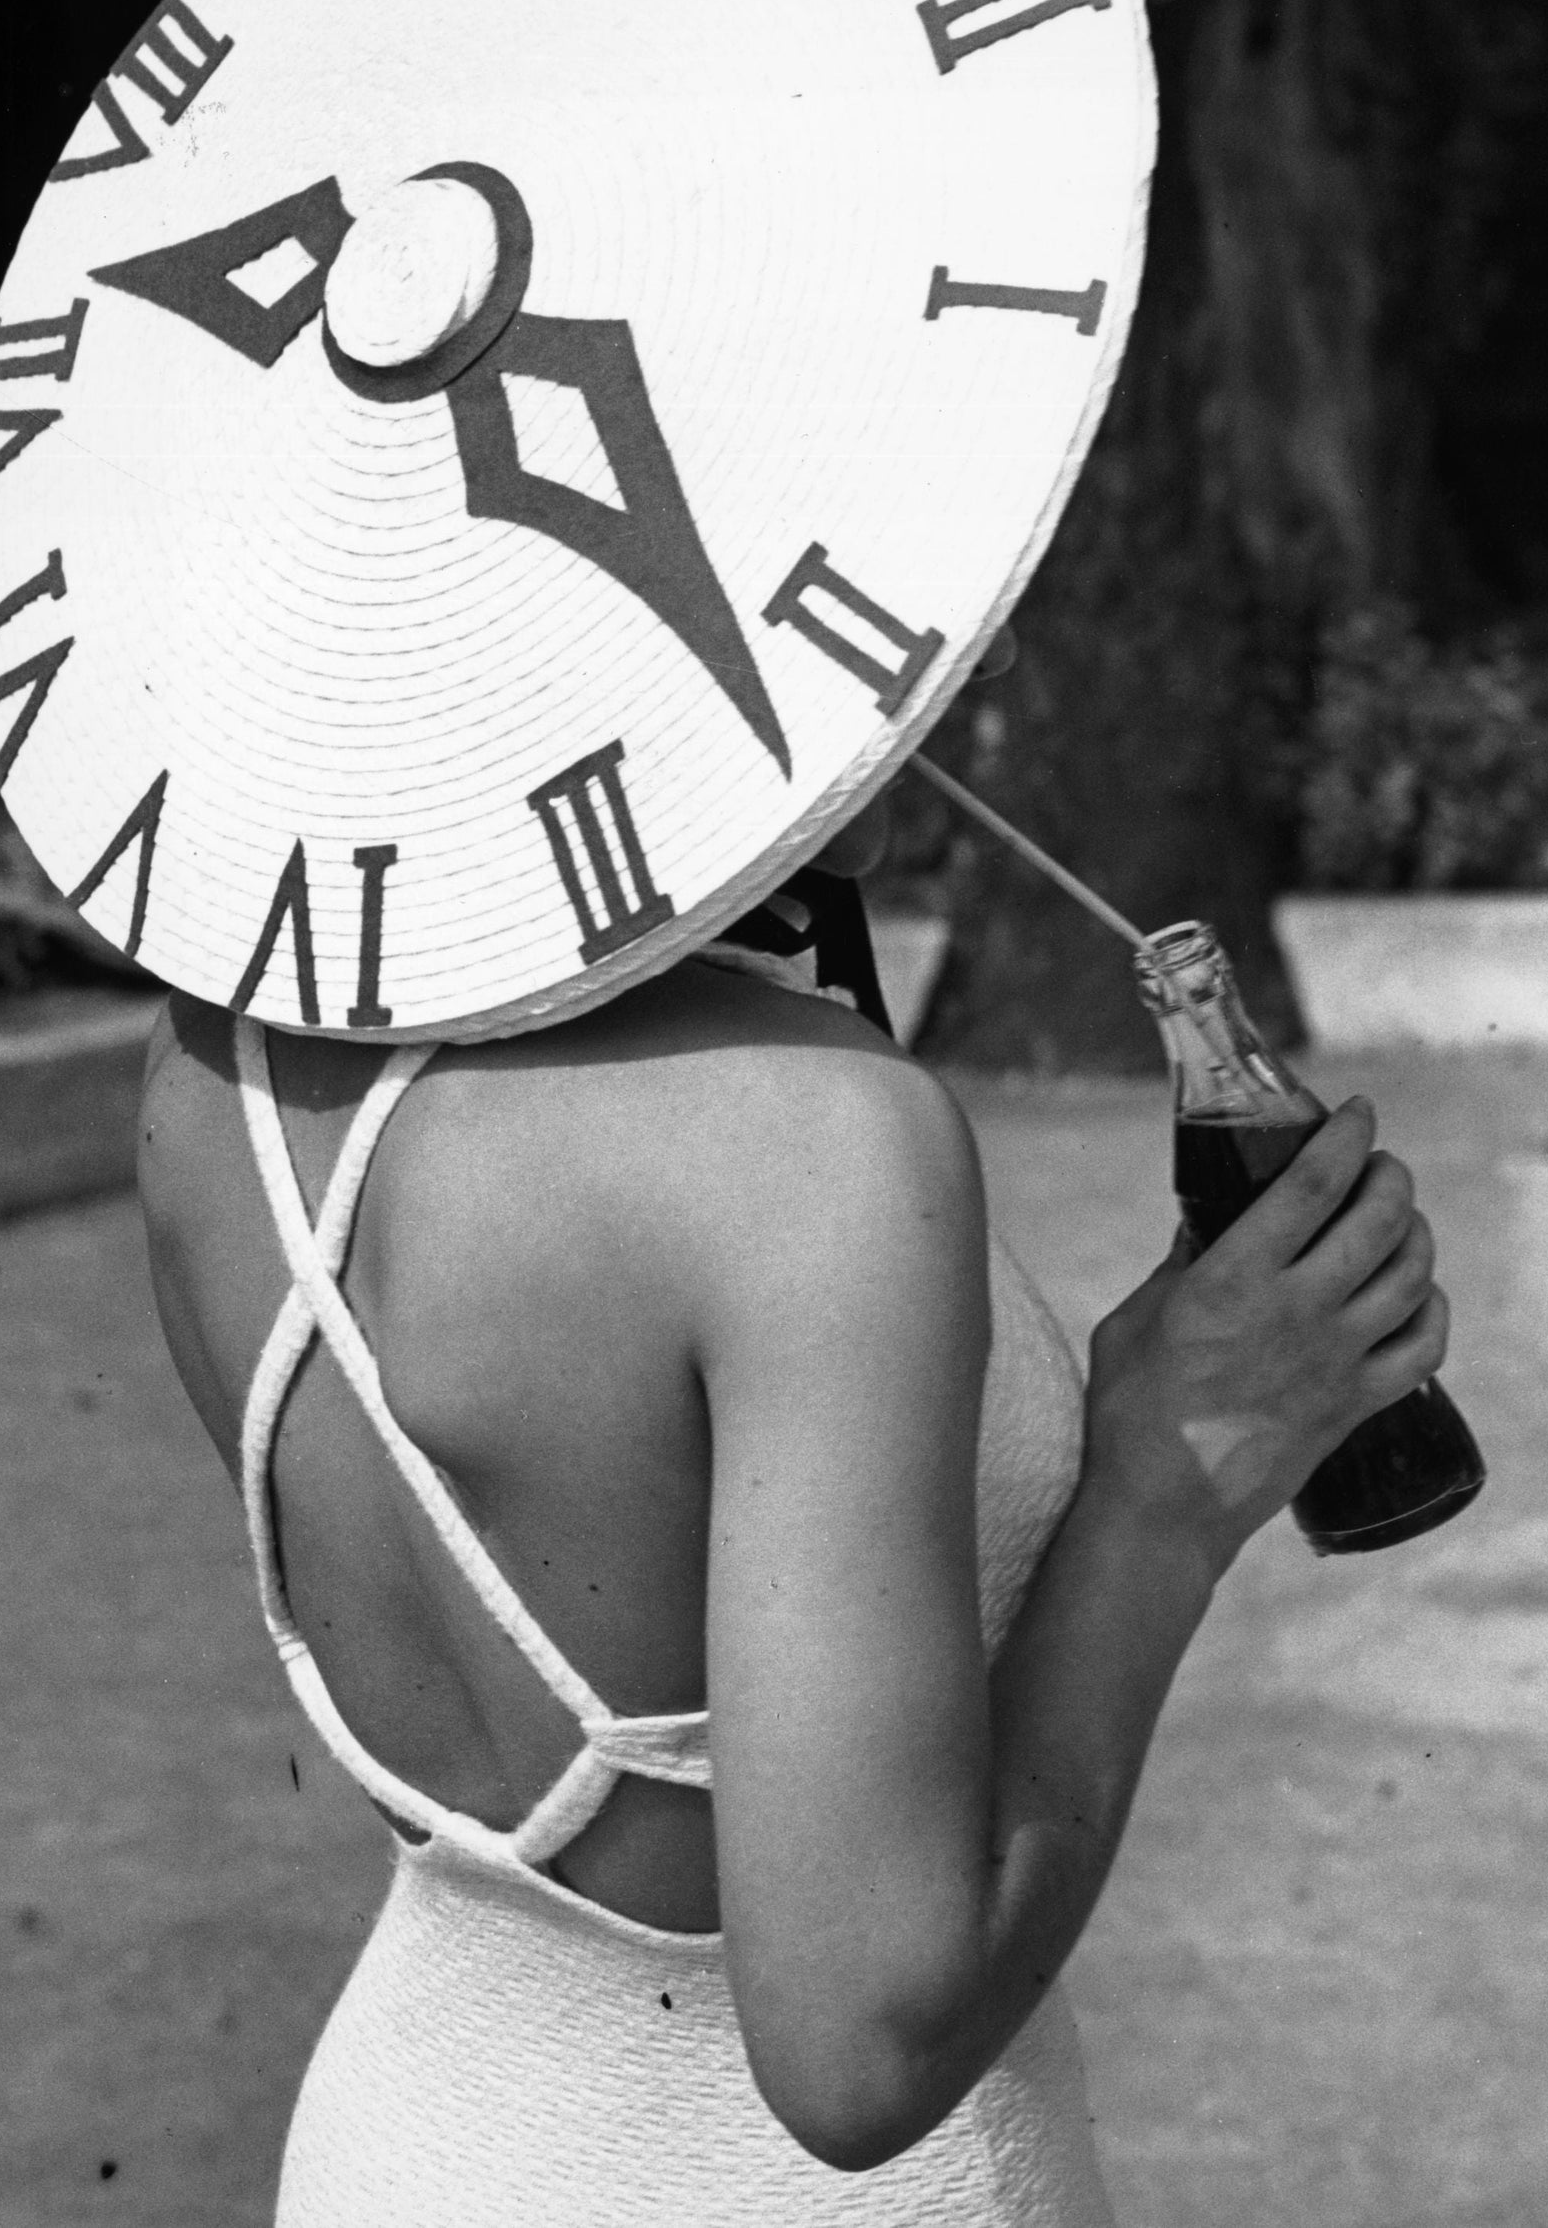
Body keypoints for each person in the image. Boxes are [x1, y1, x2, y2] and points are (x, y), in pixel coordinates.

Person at [136, 718, 1450, 2223]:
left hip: (417, 2141)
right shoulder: (806, 1138)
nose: (997, 654)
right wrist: (1168, 1487)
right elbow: (860, 2051)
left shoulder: (206, 1060)